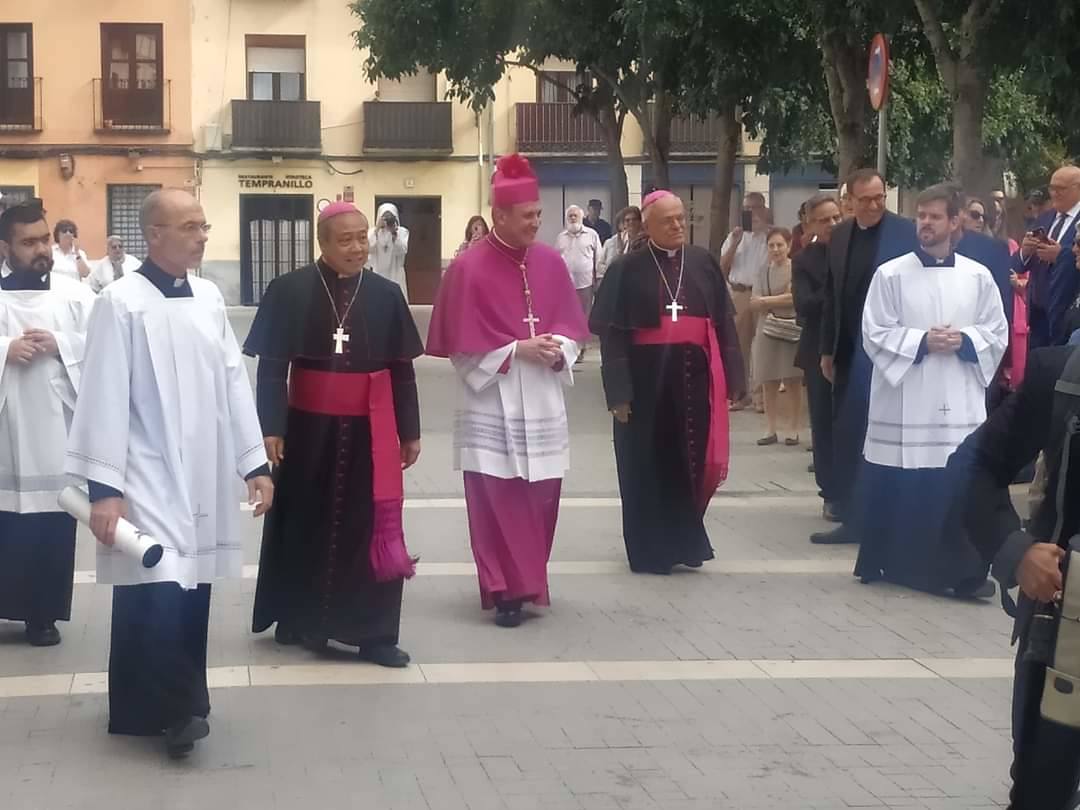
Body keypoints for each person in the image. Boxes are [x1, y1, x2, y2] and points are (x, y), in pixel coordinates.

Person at [65, 189, 274, 758]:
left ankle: (154, 706)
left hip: (202, 468)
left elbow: (234, 382)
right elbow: (103, 395)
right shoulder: (120, 302)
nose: (203, 235)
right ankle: (180, 710)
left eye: (204, 226)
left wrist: (253, 464)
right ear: (154, 235)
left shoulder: (208, 297)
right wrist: (105, 490)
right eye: (190, 226)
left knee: (191, 588)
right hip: (146, 470)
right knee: (158, 585)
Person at [243, 201, 423, 668]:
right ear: (322, 243)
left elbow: (402, 370)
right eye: (346, 240)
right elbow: (272, 368)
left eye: (362, 238)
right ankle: (298, 616)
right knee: (304, 521)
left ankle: (374, 634)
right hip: (306, 430)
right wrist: (271, 427)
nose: (357, 247)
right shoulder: (289, 290)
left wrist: (411, 430)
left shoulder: (385, 295)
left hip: (371, 429)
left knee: (368, 525)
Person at [427, 154, 589, 628]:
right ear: (499, 216)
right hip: (492, 399)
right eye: (527, 216)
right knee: (494, 497)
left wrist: (559, 349)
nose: (536, 223)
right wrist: (516, 349)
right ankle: (503, 591)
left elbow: (573, 331)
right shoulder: (467, 269)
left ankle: (531, 582)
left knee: (542, 494)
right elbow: (459, 349)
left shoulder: (551, 261)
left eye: (539, 215)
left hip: (541, 395)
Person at [853, 184, 1007, 596]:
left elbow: (997, 332)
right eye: (921, 216)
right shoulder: (891, 273)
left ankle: (958, 571)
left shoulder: (978, 276)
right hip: (908, 397)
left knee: (955, 479)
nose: (925, 223)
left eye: (935, 216)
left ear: (955, 222)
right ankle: (900, 564)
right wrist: (921, 342)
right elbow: (875, 332)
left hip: (956, 398)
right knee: (911, 484)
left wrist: (964, 340)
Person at [949, 335, 1080, 806]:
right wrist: (1016, 551)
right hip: (1066, 637)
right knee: (1043, 789)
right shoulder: (1064, 375)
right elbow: (972, 465)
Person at [591, 190, 744, 574]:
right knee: (643, 465)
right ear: (647, 225)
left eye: (680, 218)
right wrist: (618, 393)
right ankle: (648, 550)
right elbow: (612, 336)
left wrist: (735, 379)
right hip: (643, 383)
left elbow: (723, 322)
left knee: (688, 464)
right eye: (668, 220)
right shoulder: (625, 269)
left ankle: (686, 543)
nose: (677, 226)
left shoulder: (703, 262)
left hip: (693, 381)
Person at [0, 201, 96, 647]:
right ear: (5, 248)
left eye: (44, 239)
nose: (42, 249)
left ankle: (43, 615)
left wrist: (63, 344)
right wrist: (4, 351)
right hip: (6, 431)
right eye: (29, 242)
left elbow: (108, 346)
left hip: (56, 428)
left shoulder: (75, 295)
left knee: (51, 523)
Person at [812, 168, 916, 544]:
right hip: (849, 351)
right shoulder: (840, 236)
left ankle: (889, 516)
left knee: (889, 433)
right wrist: (827, 348)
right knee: (850, 433)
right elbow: (831, 297)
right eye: (866, 199)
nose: (874, 205)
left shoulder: (906, 232)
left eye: (880, 197)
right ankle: (853, 516)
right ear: (850, 201)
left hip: (891, 353)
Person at [792, 193, 844, 522]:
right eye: (824, 220)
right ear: (810, 224)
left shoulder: (855, 250)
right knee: (824, 423)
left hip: (851, 348)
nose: (832, 225)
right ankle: (831, 493)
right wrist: (836, 289)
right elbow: (805, 306)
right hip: (816, 350)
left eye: (836, 217)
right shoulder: (804, 260)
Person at [1013, 167, 1080, 349]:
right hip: (1038, 318)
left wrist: (1062, 255)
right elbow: (1016, 266)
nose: (1054, 194)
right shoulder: (1045, 218)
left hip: (1069, 316)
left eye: (1061, 188)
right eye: (1052, 188)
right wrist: (1024, 252)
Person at [750, 227, 802, 446]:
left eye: (780, 244)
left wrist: (767, 301)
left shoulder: (796, 269)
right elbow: (754, 301)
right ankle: (770, 428)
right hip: (766, 329)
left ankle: (793, 428)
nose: (776, 249)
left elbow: (794, 298)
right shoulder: (762, 271)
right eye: (771, 245)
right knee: (768, 379)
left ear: (789, 246)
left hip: (791, 328)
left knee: (792, 380)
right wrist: (773, 300)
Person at [720, 197, 771, 410]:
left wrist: (765, 229)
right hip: (740, 293)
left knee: (763, 346)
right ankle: (740, 394)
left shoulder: (771, 236)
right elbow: (722, 267)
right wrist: (735, 242)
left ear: (764, 209)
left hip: (763, 293)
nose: (752, 212)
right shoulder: (734, 236)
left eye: (755, 208)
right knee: (738, 347)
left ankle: (762, 396)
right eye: (747, 209)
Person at [555, 205, 603, 357]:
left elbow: (599, 259)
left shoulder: (592, 235)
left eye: (575, 215)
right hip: (566, 285)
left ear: (581, 217)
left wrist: (598, 279)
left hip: (586, 283)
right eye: (570, 216)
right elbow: (555, 260)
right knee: (569, 316)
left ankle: (581, 346)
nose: (573, 218)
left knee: (584, 316)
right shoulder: (561, 237)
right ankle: (571, 345)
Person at [368, 202, 410, 301]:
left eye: (390, 217)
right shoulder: (372, 232)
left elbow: (402, 250)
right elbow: (369, 248)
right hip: (378, 272)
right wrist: (377, 229)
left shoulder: (402, 232)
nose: (387, 220)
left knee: (396, 301)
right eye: (384, 217)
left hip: (395, 272)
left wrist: (394, 233)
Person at [597, 206, 642, 285]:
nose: (631, 222)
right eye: (627, 220)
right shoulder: (618, 242)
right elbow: (601, 265)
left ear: (640, 222)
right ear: (624, 224)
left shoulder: (645, 241)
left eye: (634, 219)